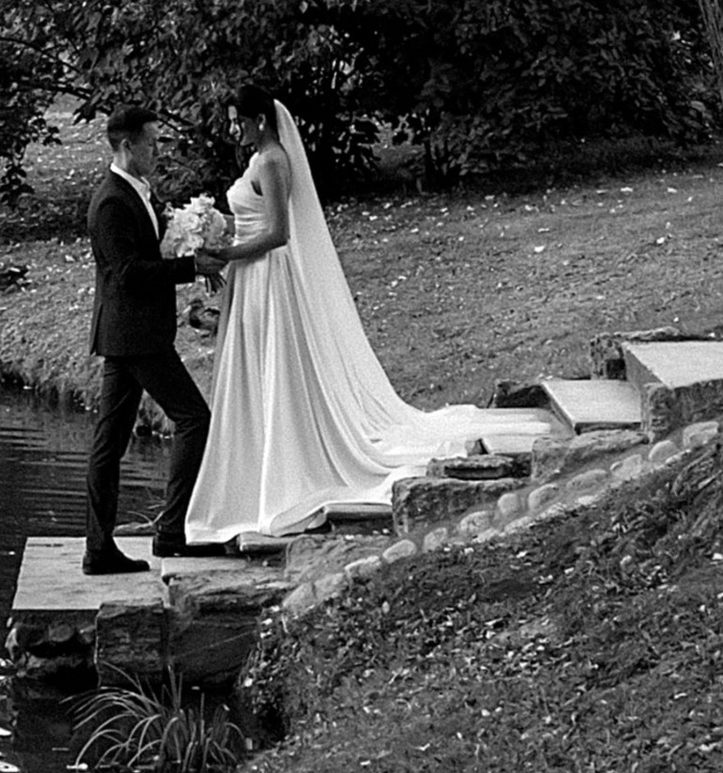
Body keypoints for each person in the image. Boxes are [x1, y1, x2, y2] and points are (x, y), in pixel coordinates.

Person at [183, 80, 547, 544]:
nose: (233, 130)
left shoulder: (274, 161)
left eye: (239, 121)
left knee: (277, 369)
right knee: (254, 372)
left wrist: (226, 252)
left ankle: (284, 468)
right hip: (249, 279)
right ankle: (254, 467)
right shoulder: (255, 160)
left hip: (269, 278)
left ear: (259, 120)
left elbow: (277, 233)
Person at [81, 102, 212, 575]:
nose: (158, 150)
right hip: (134, 334)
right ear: (127, 145)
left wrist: (187, 243)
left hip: (129, 333)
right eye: (152, 143)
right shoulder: (112, 200)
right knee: (194, 418)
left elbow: (147, 251)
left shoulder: (136, 191)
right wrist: (191, 266)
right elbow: (128, 272)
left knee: (110, 442)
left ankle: (100, 549)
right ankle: (171, 532)